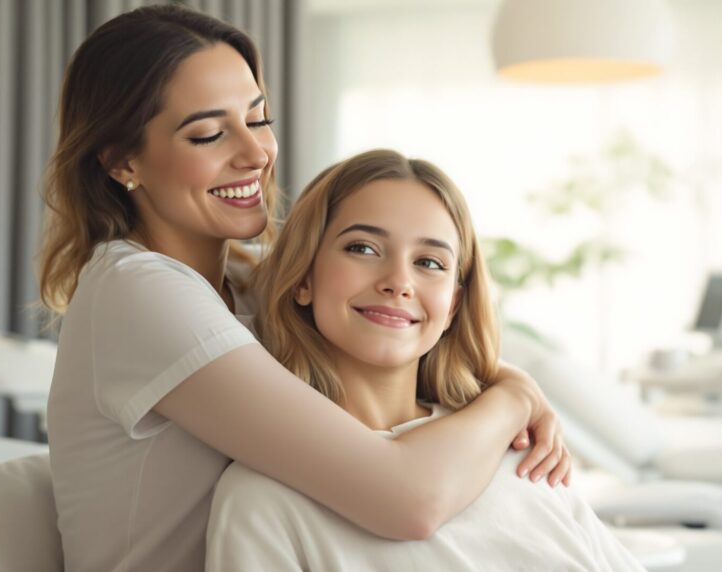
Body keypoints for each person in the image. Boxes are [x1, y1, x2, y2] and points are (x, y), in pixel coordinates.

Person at [39, 6, 570, 571]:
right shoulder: (137, 293)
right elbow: (407, 499)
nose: (254, 154)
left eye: (258, 118)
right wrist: (513, 401)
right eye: (209, 134)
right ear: (123, 161)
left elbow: (393, 319)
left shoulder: (246, 282)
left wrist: (514, 378)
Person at [206, 149, 644, 571]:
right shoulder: (261, 500)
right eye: (362, 248)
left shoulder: (519, 453)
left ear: (453, 303)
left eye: (430, 262)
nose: (398, 282)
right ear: (304, 278)